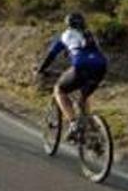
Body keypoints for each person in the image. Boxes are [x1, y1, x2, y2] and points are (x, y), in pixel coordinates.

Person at [35, 13, 108, 142]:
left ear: (68, 24)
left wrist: (41, 70)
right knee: (83, 97)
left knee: (59, 89)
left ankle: (73, 123)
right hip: (101, 66)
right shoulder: (89, 34)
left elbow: (51, 55)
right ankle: (92, 131)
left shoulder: (65, 35)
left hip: (81, 66)